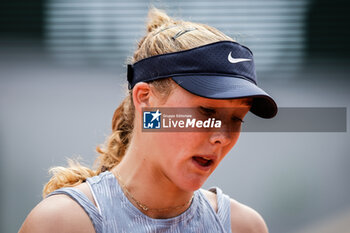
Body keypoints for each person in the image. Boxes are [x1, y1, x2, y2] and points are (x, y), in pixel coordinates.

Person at [19, 7, 277, 233]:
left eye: (237, 119)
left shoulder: (244, 227)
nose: (222, 135)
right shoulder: (60, 223)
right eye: (206, 111)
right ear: (145, 99)